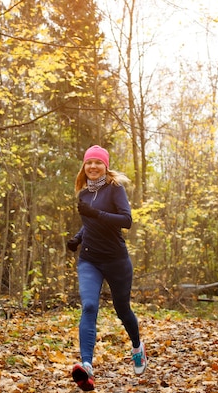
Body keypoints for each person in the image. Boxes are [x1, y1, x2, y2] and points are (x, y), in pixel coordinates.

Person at [66, 145, 146, 391]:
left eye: (97, 163)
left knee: (122, 309)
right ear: (84, 166)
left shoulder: (115, 189)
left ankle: (137, 347)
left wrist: (96, 213)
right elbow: (89, 223)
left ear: (105, 166)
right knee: (89, 306)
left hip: (116, 260)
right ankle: (87, 367)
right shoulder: (83, 194)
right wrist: (78, 238)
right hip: (89, 259)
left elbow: (126, 220)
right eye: (88, 162)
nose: (92, 166)